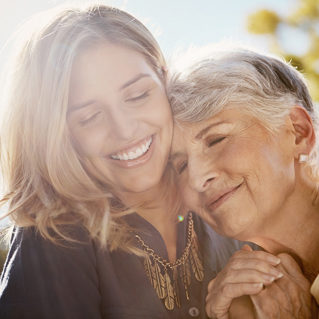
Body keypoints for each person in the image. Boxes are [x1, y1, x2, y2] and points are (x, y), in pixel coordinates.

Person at [0, 5, 275, 319]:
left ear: (164, 79)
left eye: (137, 95)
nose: (124, 129)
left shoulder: (228, 196)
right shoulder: (52, 240)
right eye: (89, 117)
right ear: (57, 137)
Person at [168, 43, 319, 318]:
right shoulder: (246, 300)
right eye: (180, 165)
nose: (197, 178)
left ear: (297, 132)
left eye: (217, 140)